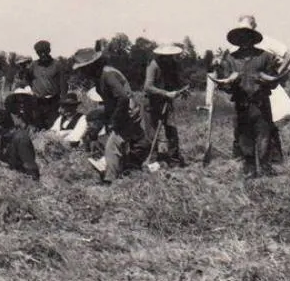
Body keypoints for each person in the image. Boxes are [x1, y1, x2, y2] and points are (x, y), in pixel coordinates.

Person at [211, 18, 286, 178]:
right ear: (237, 39)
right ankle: (250, 169)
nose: (244, 39)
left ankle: (265, 168)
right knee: (244, 136)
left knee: (264, 135)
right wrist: (228, 83)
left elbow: (274, 83)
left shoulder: (266, 56)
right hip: (241, 104)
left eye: (247, 35)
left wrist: (266, 81)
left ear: (252, 37)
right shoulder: (230, 59)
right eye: (241, 36)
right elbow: (226, 87)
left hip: (261, 103)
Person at [72, 47, 152, 183]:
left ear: (92, 65)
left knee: (113, 145)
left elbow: (123, 98)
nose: (83, 72)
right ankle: (131, 166)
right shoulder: (99, 77)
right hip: (122, 111)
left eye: (84, 68)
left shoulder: (107, 75)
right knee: (140, 142)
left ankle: (110, 180)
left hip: (126, 113)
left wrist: (114, 120)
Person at [227, 15, 290, 163]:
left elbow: (286, 59)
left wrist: (273, 76)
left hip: (262, 96)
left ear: (253, 32)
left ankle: (268, 164)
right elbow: (227, 80)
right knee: (243, 131)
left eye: (247, 32)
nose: (244, 37)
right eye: (241, 33)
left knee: (265, 129)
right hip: (242, 98)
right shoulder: (232, 55)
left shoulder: (266, 50)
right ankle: (246, 164)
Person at [143, 44, 190, 167]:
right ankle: (152, 161)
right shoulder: (153, 65)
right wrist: (165, 93)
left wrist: (183, 89)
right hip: (152, 103)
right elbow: (147, 87)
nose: (169, 58)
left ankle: (174, 159)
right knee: (152, 133)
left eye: (171, 56)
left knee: (172, 130)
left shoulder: (173, 64)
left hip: (166, 102)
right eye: (166, 56)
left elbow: (177, 81)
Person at [0, 108, 41, 180]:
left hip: (20, 176)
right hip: (8, 169)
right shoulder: (5, 136)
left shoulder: (21, 139)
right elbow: (1, 154)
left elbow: (31, 170)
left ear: (2, 128)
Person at [27, 40, 66, 129]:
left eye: (45, 51)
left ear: (49, 51)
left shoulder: (57, 65)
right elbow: (28, 79)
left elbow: (63, 84)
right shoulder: (33, 65)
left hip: (53, 101)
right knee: (39, 125)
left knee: (54, 125)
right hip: (38, 101)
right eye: (40, 52)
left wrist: (63, 102)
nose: (43, 54)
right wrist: (33, 90)